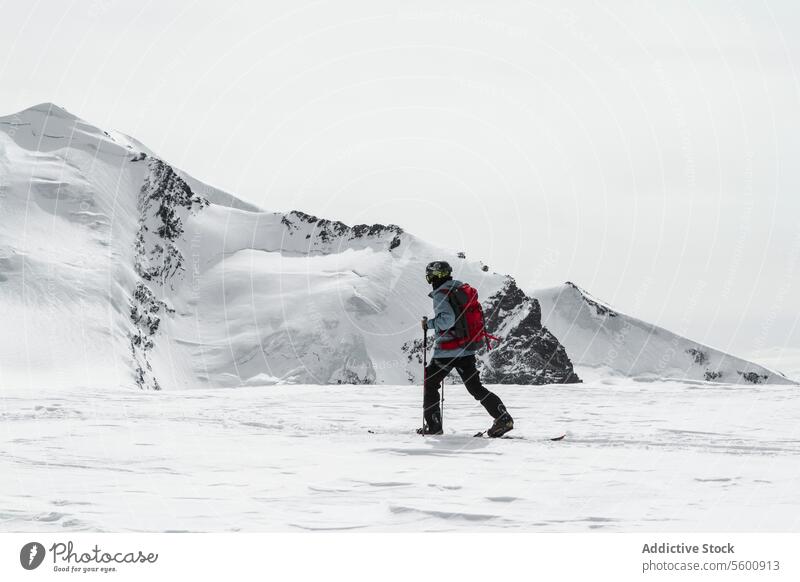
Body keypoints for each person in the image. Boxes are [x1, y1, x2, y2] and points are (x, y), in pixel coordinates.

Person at [418, 260, 514, 437]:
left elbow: (447, 320)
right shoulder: (459, 288)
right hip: (467, 348)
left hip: (447, 351)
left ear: (432, 276)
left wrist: (429, 324)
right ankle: (503, 418)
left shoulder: (441, 293)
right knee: (475, 387)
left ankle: (434, 426)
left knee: (430, 383)